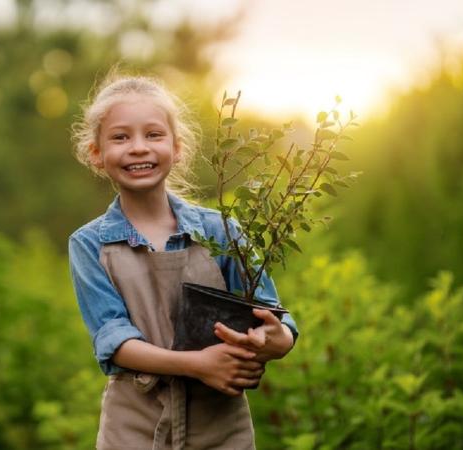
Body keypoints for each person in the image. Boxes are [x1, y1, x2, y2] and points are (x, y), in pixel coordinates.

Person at [68, 72, 299, 450]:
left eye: (154, 135)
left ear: (177, 148)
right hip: (134, 426)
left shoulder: (222, 231)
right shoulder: (89, 244)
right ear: (97, 154)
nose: (138, 147)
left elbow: (277, 319)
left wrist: (275, 339)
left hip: (220, 426)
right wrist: (200, 364)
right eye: (121, 137)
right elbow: (114, 341)